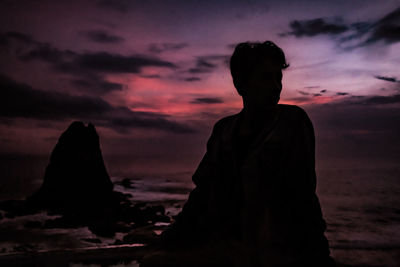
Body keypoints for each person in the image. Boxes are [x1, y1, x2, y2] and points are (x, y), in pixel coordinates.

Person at [140, 41, 335, 267]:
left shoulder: (292, 123)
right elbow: (202, 196)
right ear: (240, 84)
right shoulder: (224, 130)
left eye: (278, 78)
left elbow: (303, 195)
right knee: (153, 262)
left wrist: (318, 256)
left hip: (275, 254)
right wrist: (168, 239)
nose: (275, 87)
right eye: (265, 78)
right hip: (226, 248)